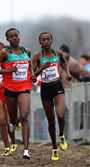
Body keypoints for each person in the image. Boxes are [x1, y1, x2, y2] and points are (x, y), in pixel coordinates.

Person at [0, 28, 36, 159]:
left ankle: (26, 150)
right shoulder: (4, 53)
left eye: (16, 36)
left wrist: (32, 75)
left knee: (25, 116)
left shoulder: (26, 51)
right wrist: (9, 70)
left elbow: (29, 66)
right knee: (13, 118)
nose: (14, 38)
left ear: (19, 37)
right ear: (7, 39)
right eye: (11, 37)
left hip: (24, 87)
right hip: (10, 89)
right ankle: (13, 123)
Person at [32, 32, 72, 160]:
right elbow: (33, 77)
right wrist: (42, 67)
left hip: (57, 86)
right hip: (45, 88)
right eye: (43, 39)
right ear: (40, 42)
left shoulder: (57, 53)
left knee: (60, 115)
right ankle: (54, 148)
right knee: (51, 121)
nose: (46, 41)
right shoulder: (37, 56)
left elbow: (64, 62)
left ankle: (61, 135)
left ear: (52, 40)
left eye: (48, 39)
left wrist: (67, 73)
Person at [0, 42, 17, 156]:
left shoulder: (8, 61)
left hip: (7, 91)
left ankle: (14, 141)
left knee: (10, 120)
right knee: (1, 120)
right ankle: (7, 147)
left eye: (1, 50)